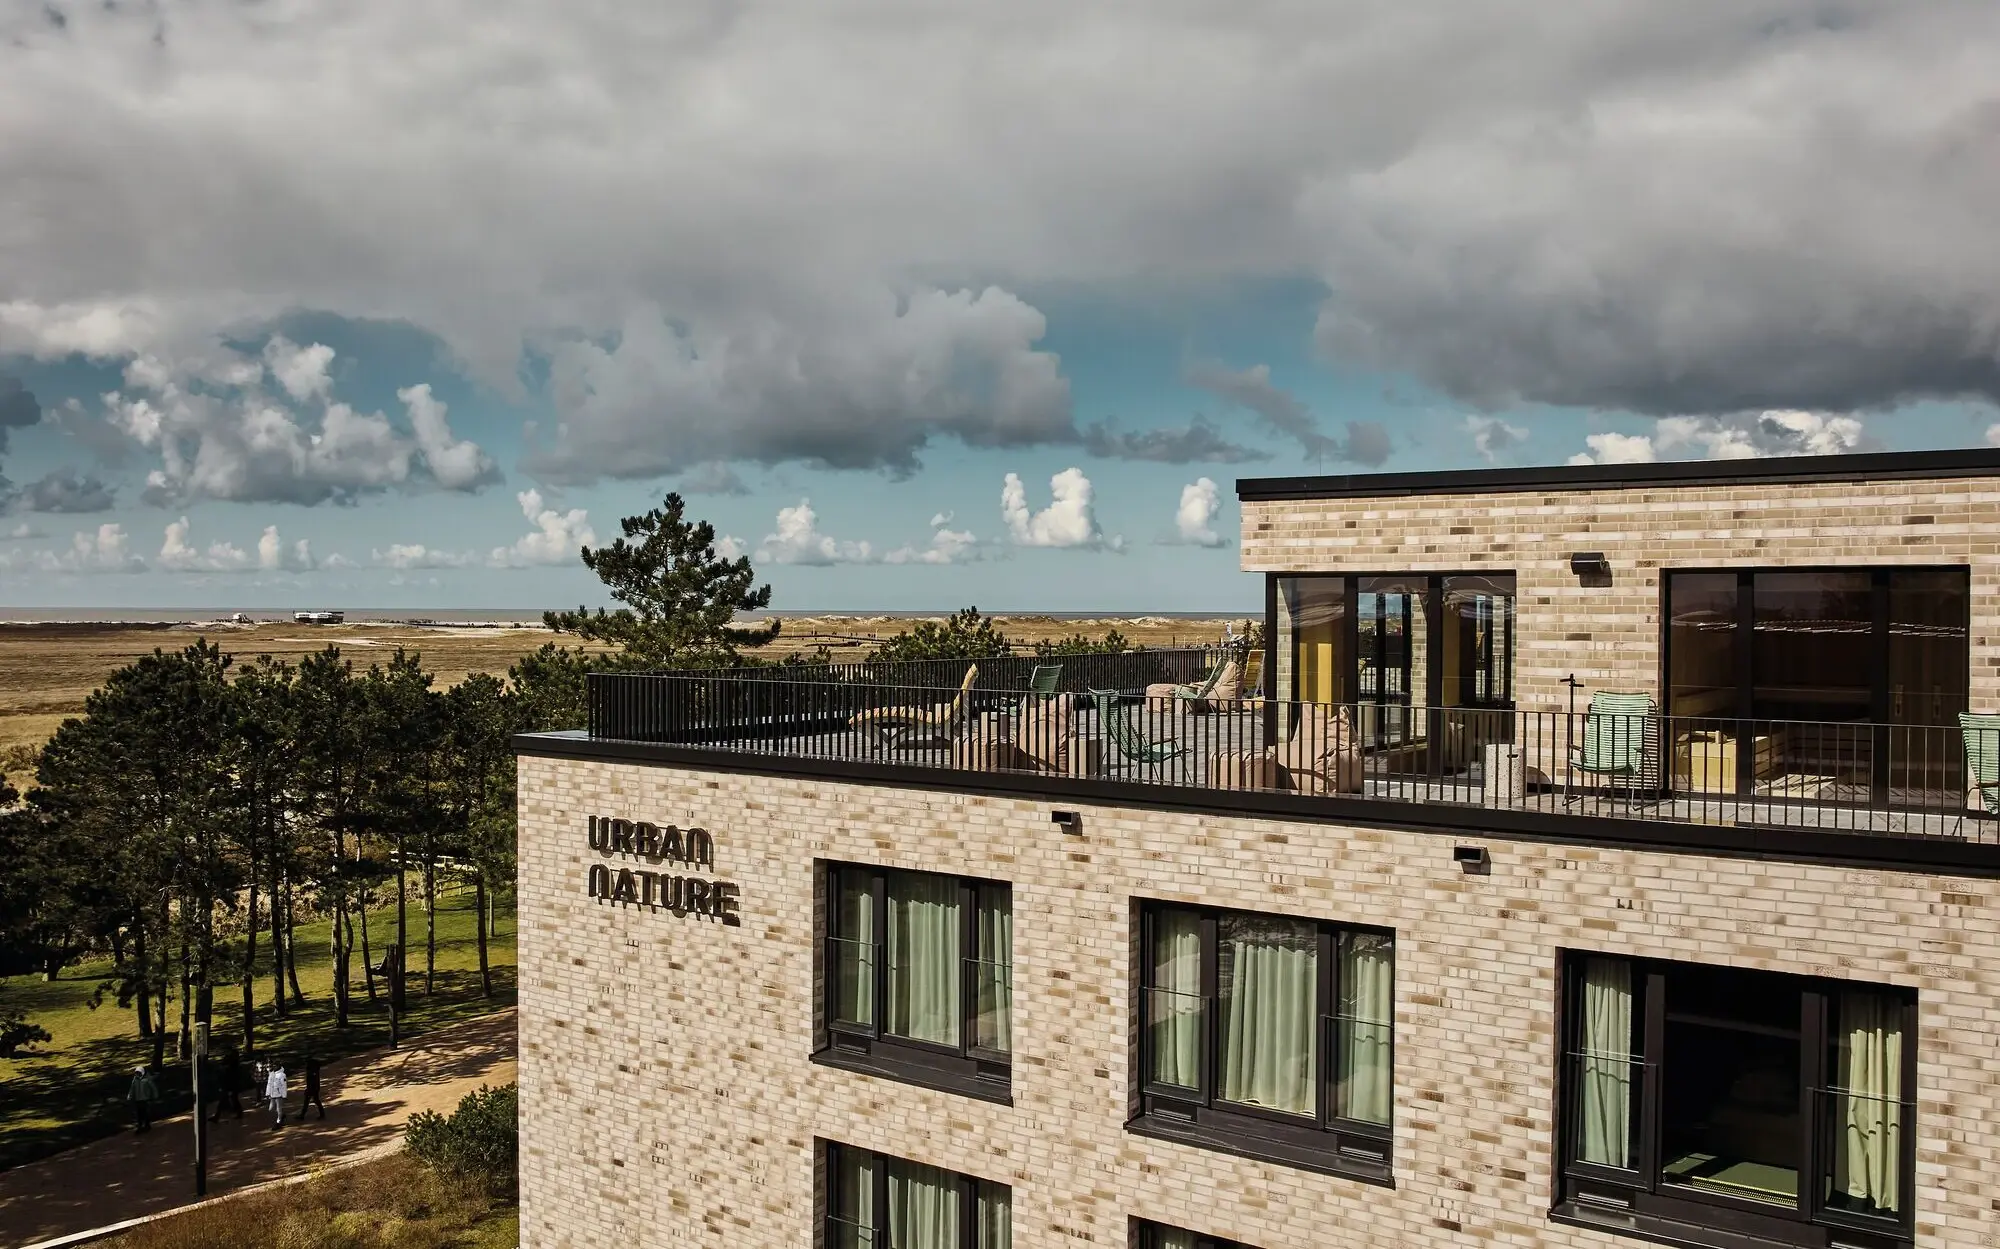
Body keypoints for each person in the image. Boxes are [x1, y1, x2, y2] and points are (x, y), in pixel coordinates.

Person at [209, 1047, 244, 1121]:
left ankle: (238, 1113)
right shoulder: (233, 1062)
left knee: (232, 1099)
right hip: (229, 1084)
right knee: (229, 1099)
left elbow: (230, 1073)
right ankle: (218, 1116)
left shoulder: (233, 1064)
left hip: (230, 1084)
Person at [128, 1065, 159, 1133]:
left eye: (138, 1072)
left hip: (145, 1099)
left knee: (146, 1113)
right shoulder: (135, 1080)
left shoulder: (147, 1079)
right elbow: (132, 1088)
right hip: (138, 1099)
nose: (137, 1074)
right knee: (139, 1113)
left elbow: (153, 1088)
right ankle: (139, 1126)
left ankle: (147, 1125)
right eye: (136, 1073)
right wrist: (130, 1096)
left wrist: (155, 1095)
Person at [297, 1055, 326, 1121]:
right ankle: (321, 1114)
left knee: (309, 1101)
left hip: (312, 1088)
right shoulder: (314, 1070)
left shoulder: (311, 1071)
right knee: (314, 1101)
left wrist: (308, 1089)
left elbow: (311, 1081)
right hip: (314, 1088)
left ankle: (302, 1115)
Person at [264, 1061, 288, 1128]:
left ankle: (278, 1122)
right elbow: (269, 1084)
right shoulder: (271, 1074)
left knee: (278, 1109)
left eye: (275, 1066)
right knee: (271, 1109)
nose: (274, 1067)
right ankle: (282, 1115)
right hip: (272, 1095)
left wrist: (284, 1095)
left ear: (279, 1066)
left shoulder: (282, 1075)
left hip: (279, 1095)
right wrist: (268, 1093)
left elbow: (284, 1086)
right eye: (273, 1066)